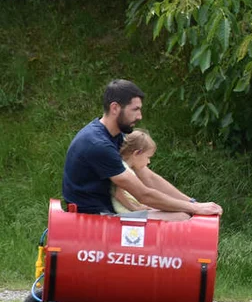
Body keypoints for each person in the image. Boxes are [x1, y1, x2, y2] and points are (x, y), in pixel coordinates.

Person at [62, 79, 223, 218]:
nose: (140, 116)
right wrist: (195, 209)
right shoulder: (98, 145)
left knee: (183, 212)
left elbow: (148, 177)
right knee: (180, 217)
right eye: (135, 110)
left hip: (107, 212)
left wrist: (192, 202)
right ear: (115, 108)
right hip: (95, 219)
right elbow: (143, 194)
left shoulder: (114, 136)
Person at [110, 130, 189, 221]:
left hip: (130, 210)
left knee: (178, 213)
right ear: (137, 153)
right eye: (148, 157)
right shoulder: (123, 170)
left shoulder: (126, 168)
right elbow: (118, 194)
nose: (148, 162)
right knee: (182, 216)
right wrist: (135, 208)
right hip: (125, 213)